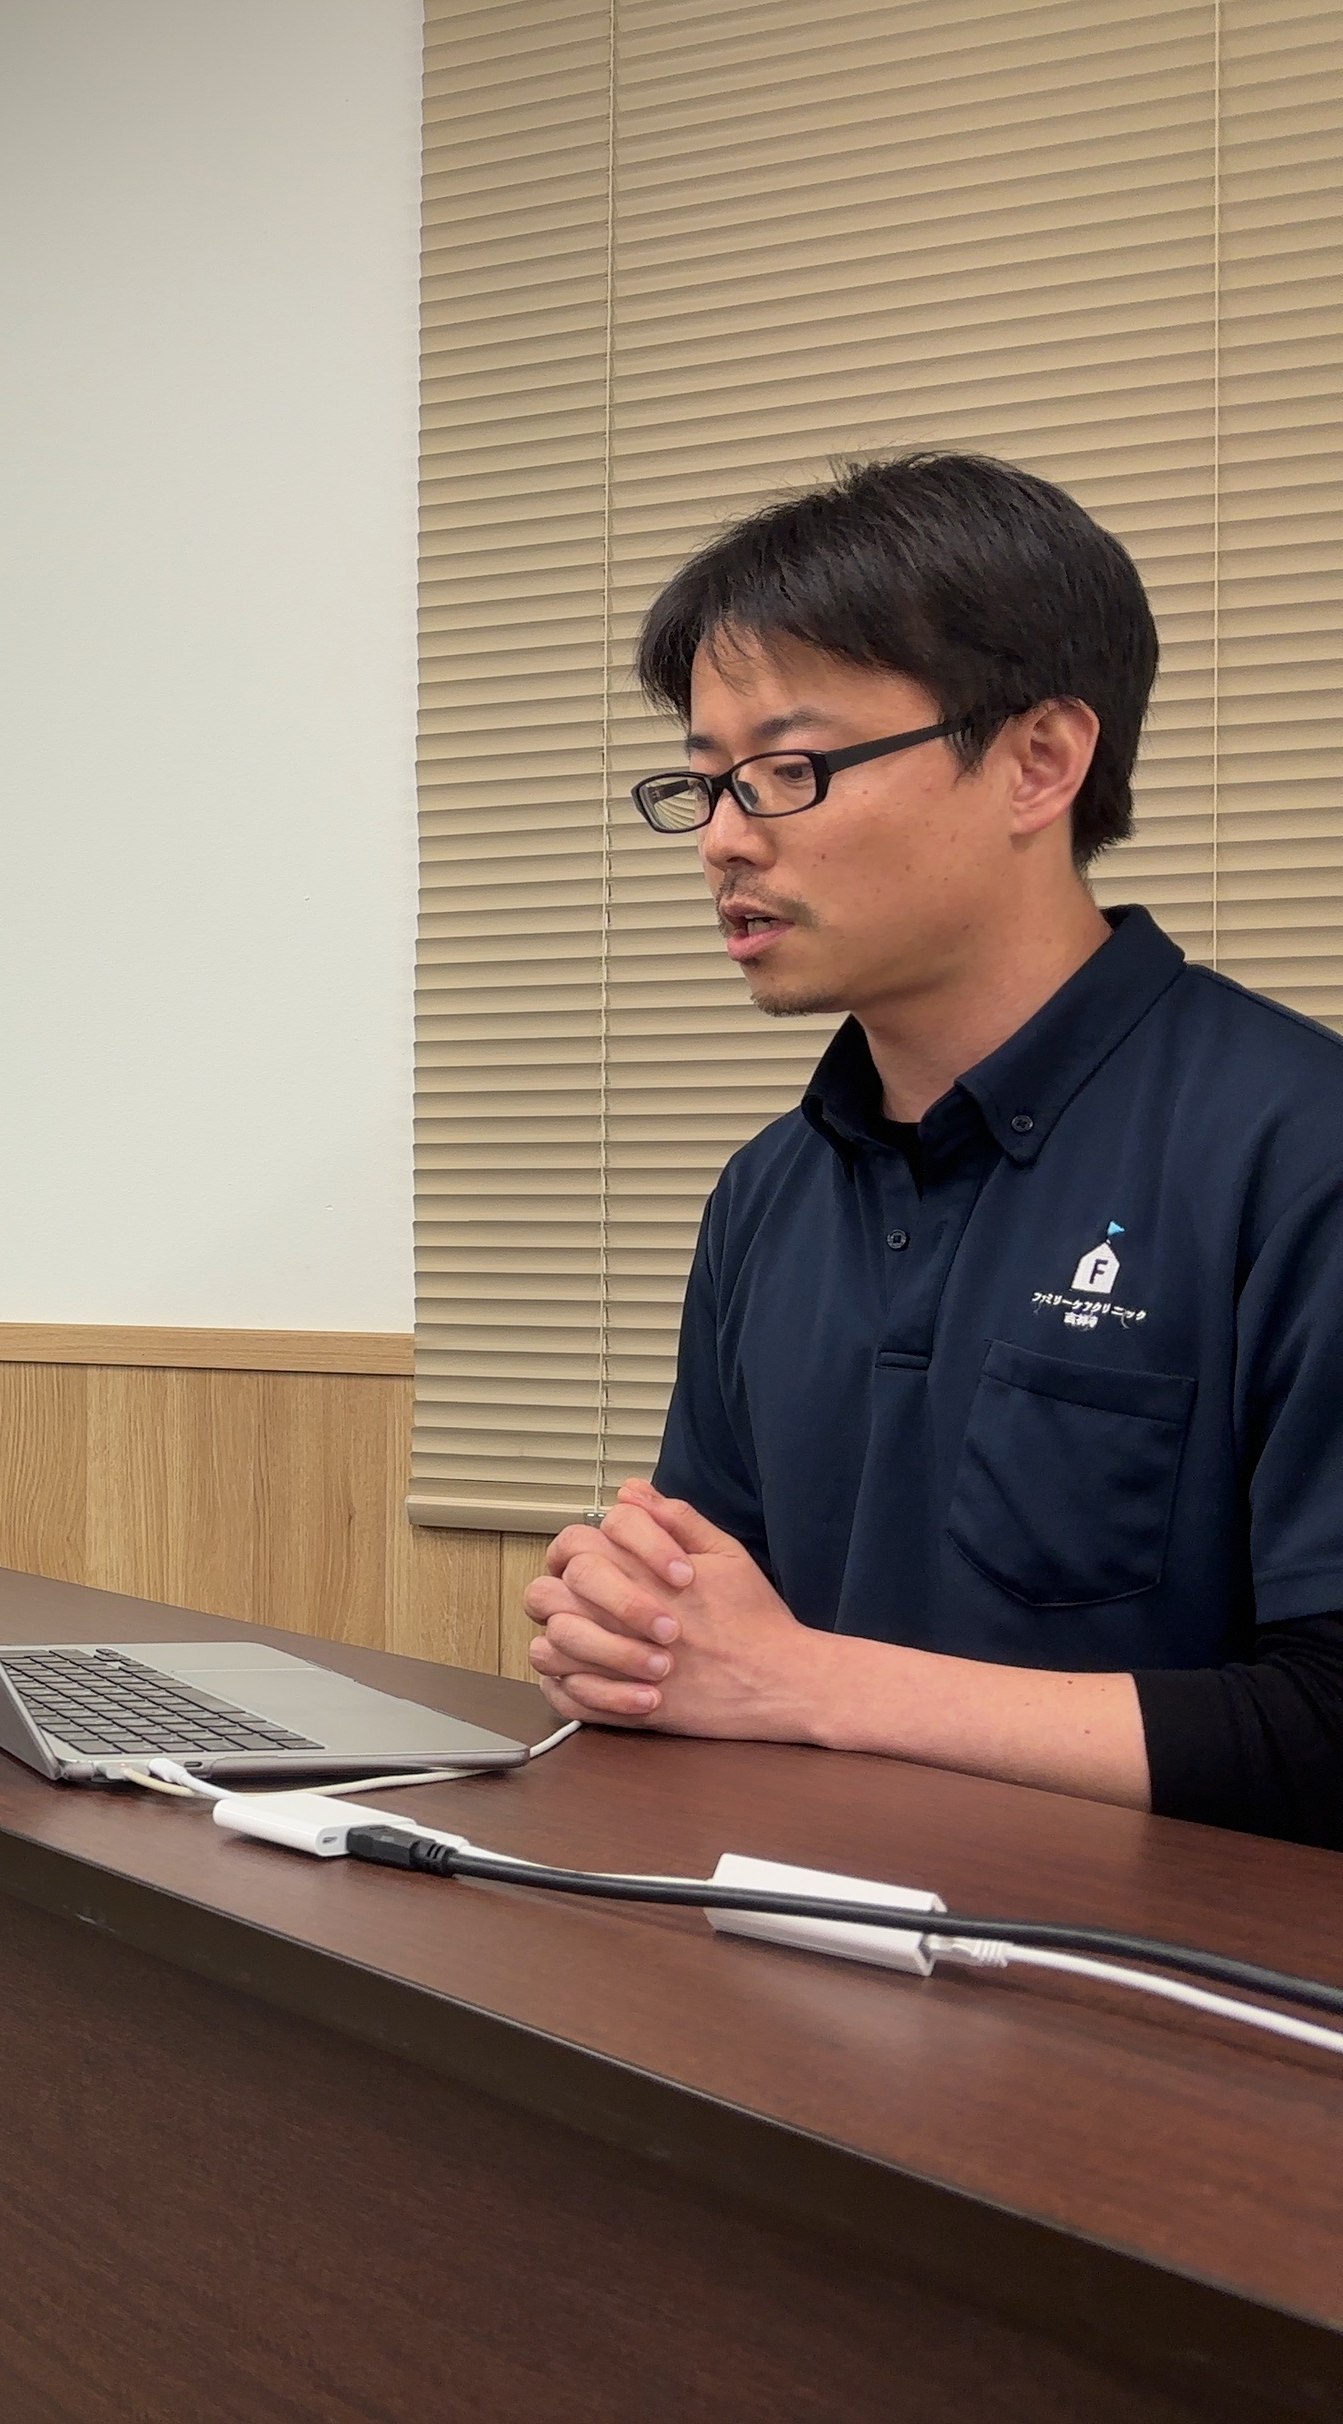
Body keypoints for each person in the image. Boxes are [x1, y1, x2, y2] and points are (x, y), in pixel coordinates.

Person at [523, 451, 1343, 1845]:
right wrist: (627, 1636)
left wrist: (802, 1683)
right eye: (704, 784)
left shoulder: (1294, 1149)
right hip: (786, 1933)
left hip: (1144, 1968)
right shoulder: (769, 1192)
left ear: (1038, 762)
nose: (722, 842)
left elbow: (1328, 1725)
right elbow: (706, 1638)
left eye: (786, 771)